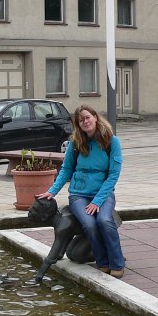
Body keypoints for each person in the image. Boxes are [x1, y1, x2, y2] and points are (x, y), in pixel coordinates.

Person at [36, 104, 126, 278]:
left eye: (87, 117)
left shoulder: (112, 141)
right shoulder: (75, 143)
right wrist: (52, 191)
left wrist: (97, 201)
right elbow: (66, 169)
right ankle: (102, 262)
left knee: (104, 220)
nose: (85, 122)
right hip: (78, 195)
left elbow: (113, 175)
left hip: (103, 194)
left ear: (95, 117)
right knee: (90, 225)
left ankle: (117, 263)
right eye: (80, 120)